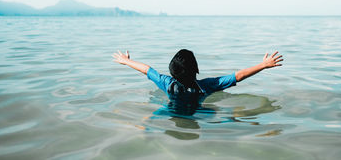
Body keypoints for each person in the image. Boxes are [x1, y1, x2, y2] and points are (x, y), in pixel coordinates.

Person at [112, 49, 283, 113]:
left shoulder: (166, 83)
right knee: (231, 113)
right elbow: (238, 76)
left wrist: (126, 61)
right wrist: (263, 65)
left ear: (172, 71)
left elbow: (146, 70)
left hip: (171, 111)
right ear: (195, 68)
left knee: (148, 120)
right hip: (199, 112)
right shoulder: (207, 85)